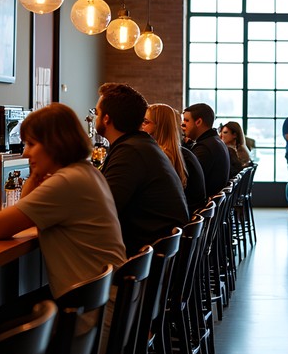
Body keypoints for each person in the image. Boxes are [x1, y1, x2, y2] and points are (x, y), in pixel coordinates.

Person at [0, 102, 128, 299]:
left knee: (10, 316)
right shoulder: (86, 172)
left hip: (91, 314)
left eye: (31, 144)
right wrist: (34, 177)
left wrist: (33, 178)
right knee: (11, 312)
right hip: (109, 301)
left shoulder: (65, 182)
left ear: (55, 143)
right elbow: (27, 211)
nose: (25, 152)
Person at [93, 84, 190, 252]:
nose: (95, 118)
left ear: (106, 119)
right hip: (158, 255)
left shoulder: (131, 152)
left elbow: (103, 211)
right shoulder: (141, 145)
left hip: (144, 262)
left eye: (96, 113)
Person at [146, 102, 207, 213]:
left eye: (146, 122)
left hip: (180, 223)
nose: (141, 127)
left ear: (160, 126)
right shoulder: (180, 153)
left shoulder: (164, 157)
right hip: (187, 218)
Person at [183, 102, 231, 196]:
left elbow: (187, 180)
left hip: (202, 206)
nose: (183, 125)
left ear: (198, 122)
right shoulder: (214, 141)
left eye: (186, 120)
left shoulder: (205, 148)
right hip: (211, 204)